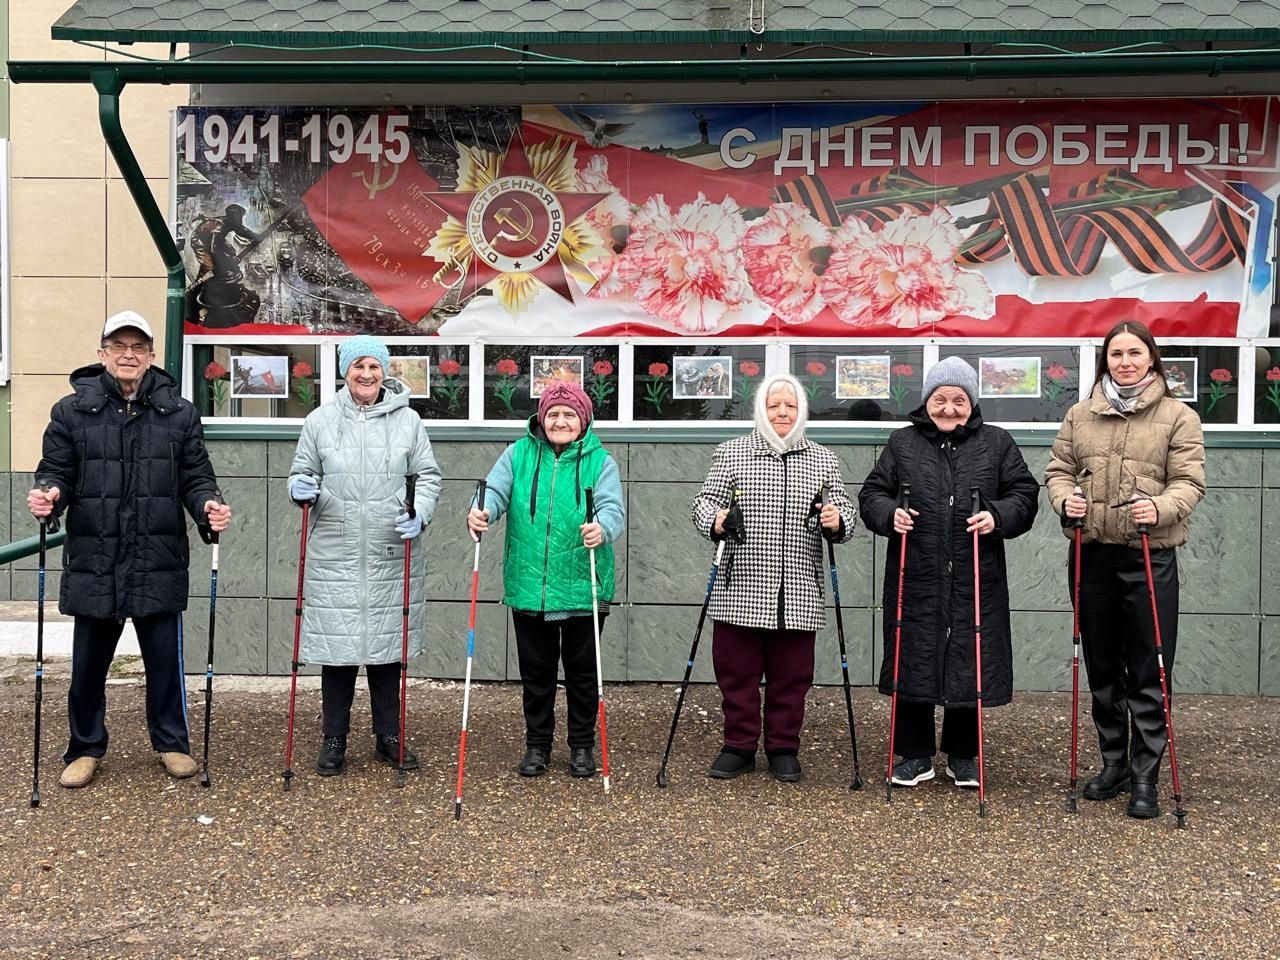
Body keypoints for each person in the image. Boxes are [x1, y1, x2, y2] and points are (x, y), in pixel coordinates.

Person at [27, 310, 233, 789]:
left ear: (151, 356)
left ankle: (173, 744)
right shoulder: (70, 412)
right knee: (88, 667)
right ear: (101, 354)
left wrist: (209, 506)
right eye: (118, 346)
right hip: (95, 558)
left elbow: (196, 477)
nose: (128, 354)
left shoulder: (179, 413)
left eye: (137, 347)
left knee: (164, 662)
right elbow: (54, 469)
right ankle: (84, 748)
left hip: (156, 556)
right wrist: (49, 493)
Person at [1045, 321, 1205, 819]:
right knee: (1102, 666)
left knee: (1149, 667)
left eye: (1135, 353)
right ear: (1105, 361)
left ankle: (1145, 774)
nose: (1126, 362)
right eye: (1117, 354)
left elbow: (1189, 482)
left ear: (1152, 360)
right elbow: (1058, 470)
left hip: (1147, 556)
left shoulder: (1179, 416)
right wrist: (1064, 502)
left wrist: (1159, 508)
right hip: (1092, 555)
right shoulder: (1080, 414)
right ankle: (1112, 763)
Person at [859, 357, 1038, 790]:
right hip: (916, 571)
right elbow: (871, 494)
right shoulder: (902, 443)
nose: (949, 408)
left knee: (969, 656)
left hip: (976, 572)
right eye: (941, 399)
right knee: (912, 653)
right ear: (927, 401)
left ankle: (964, 755)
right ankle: (915, 755)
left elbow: (1025, 493)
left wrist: (996, 516)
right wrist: (890, 514)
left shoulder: (997, 443)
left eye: (959, 400)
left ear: (971, 403)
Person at [690, 372, 857, 783]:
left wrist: (837, 520)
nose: (782, 412)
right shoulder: (732, 452)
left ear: (802, 411)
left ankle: (783, 746)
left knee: (792, 675)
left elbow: (845, 512)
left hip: (798, 586)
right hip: (741, 582)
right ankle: (739, 745)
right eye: (773, 405)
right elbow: (703, 504)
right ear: (760, 410)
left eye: (791, 405)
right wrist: (716, 519)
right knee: (736, 672)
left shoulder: (822, 459)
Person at [287, 334, 441, 776]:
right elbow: (302, 472)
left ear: (385, 371)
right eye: (359, 367)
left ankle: (388, 736)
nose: (367, 374)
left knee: (386, 651)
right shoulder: (319, 421)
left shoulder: (408, 421)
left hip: (389, 549)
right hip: (334, 551)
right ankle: (334, 738)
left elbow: (428, 476)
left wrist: (420, 511)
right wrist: (299, 489)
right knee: (337, 653)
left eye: (375, 366)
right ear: (345, 371)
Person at [467, 380, 624, 778]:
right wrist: (480, 511)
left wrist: (602, 528)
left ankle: (582, 747)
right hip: (529, 584)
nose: (560, 420)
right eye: (553, 413)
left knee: (583, 673)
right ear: (540, 417)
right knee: (536, 675)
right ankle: (537, 746)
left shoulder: (601, 462)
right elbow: (495, 493)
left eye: (569, 414)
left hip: (582, 584)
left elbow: (613, 509)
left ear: (583, 420)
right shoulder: (518, 454)